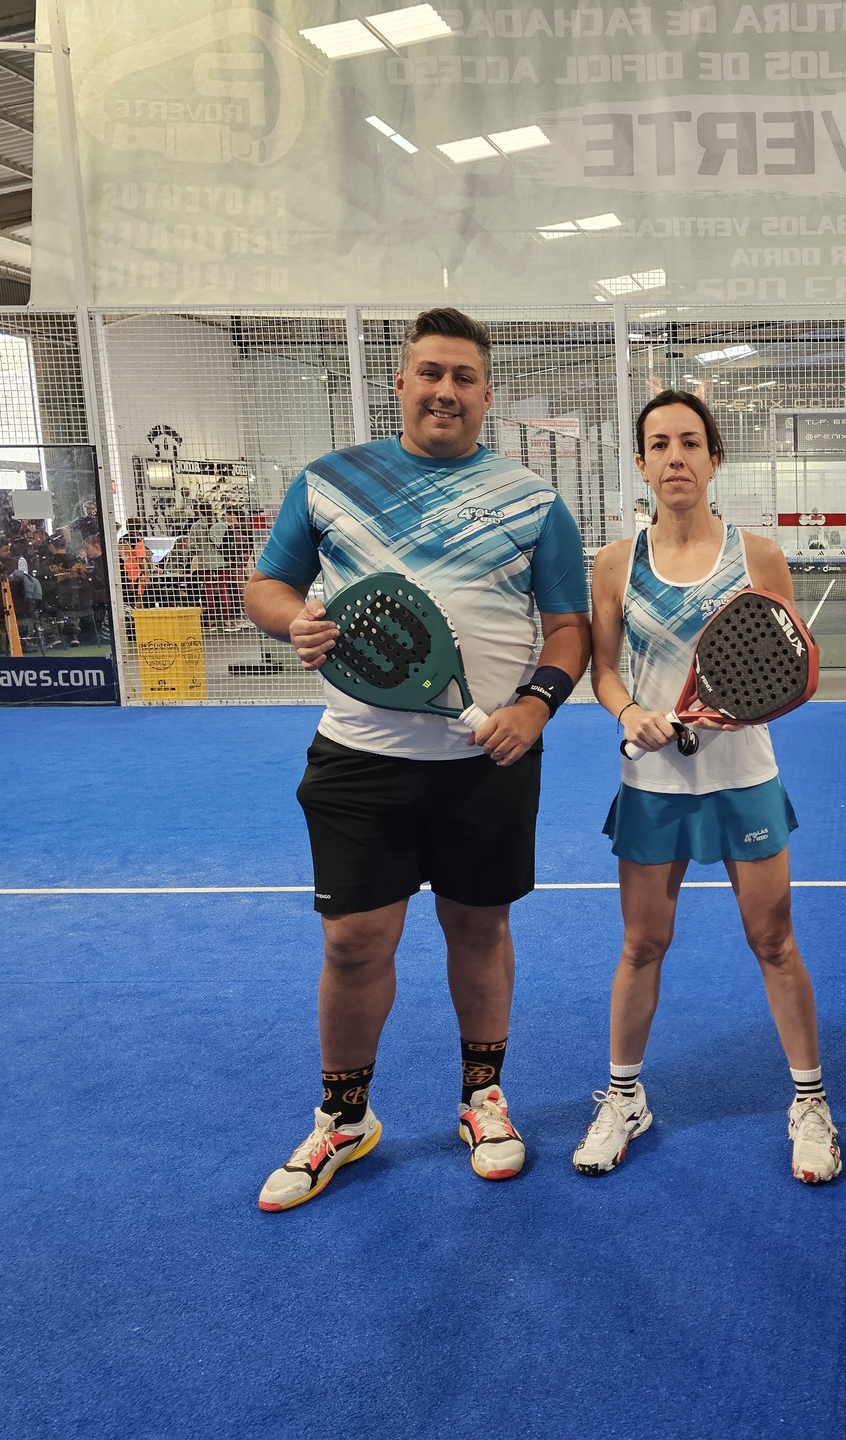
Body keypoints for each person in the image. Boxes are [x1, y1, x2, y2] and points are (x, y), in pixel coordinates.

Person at [243, 306, 592, 1211]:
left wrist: (535, 706)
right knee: (354, 941)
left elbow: (569, 628)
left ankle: (483, 1098)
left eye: (463, 377)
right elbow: (267, 584)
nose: (445, 390)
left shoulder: (533, 501)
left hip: (490, 764)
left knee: (479, 929)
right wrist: (293, 621)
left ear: (487, 393)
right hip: (359, 758)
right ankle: (344, 1118)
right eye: (430, 373)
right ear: (400, 382)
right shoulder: (329, 482)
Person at [577, 389, 840, 1184]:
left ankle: (810, 1103)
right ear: (641, 463)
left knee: (774, 942)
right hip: (652, 780)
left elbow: (782, 666)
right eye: (660, 444)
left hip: (743, 777)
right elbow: (604, 670)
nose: (676, 458)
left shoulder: (759, 556)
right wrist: (630, 713)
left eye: (690, 442)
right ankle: (624, 1097)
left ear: (715, 458)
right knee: (642, 944)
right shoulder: (616, 564)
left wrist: (731, 711)